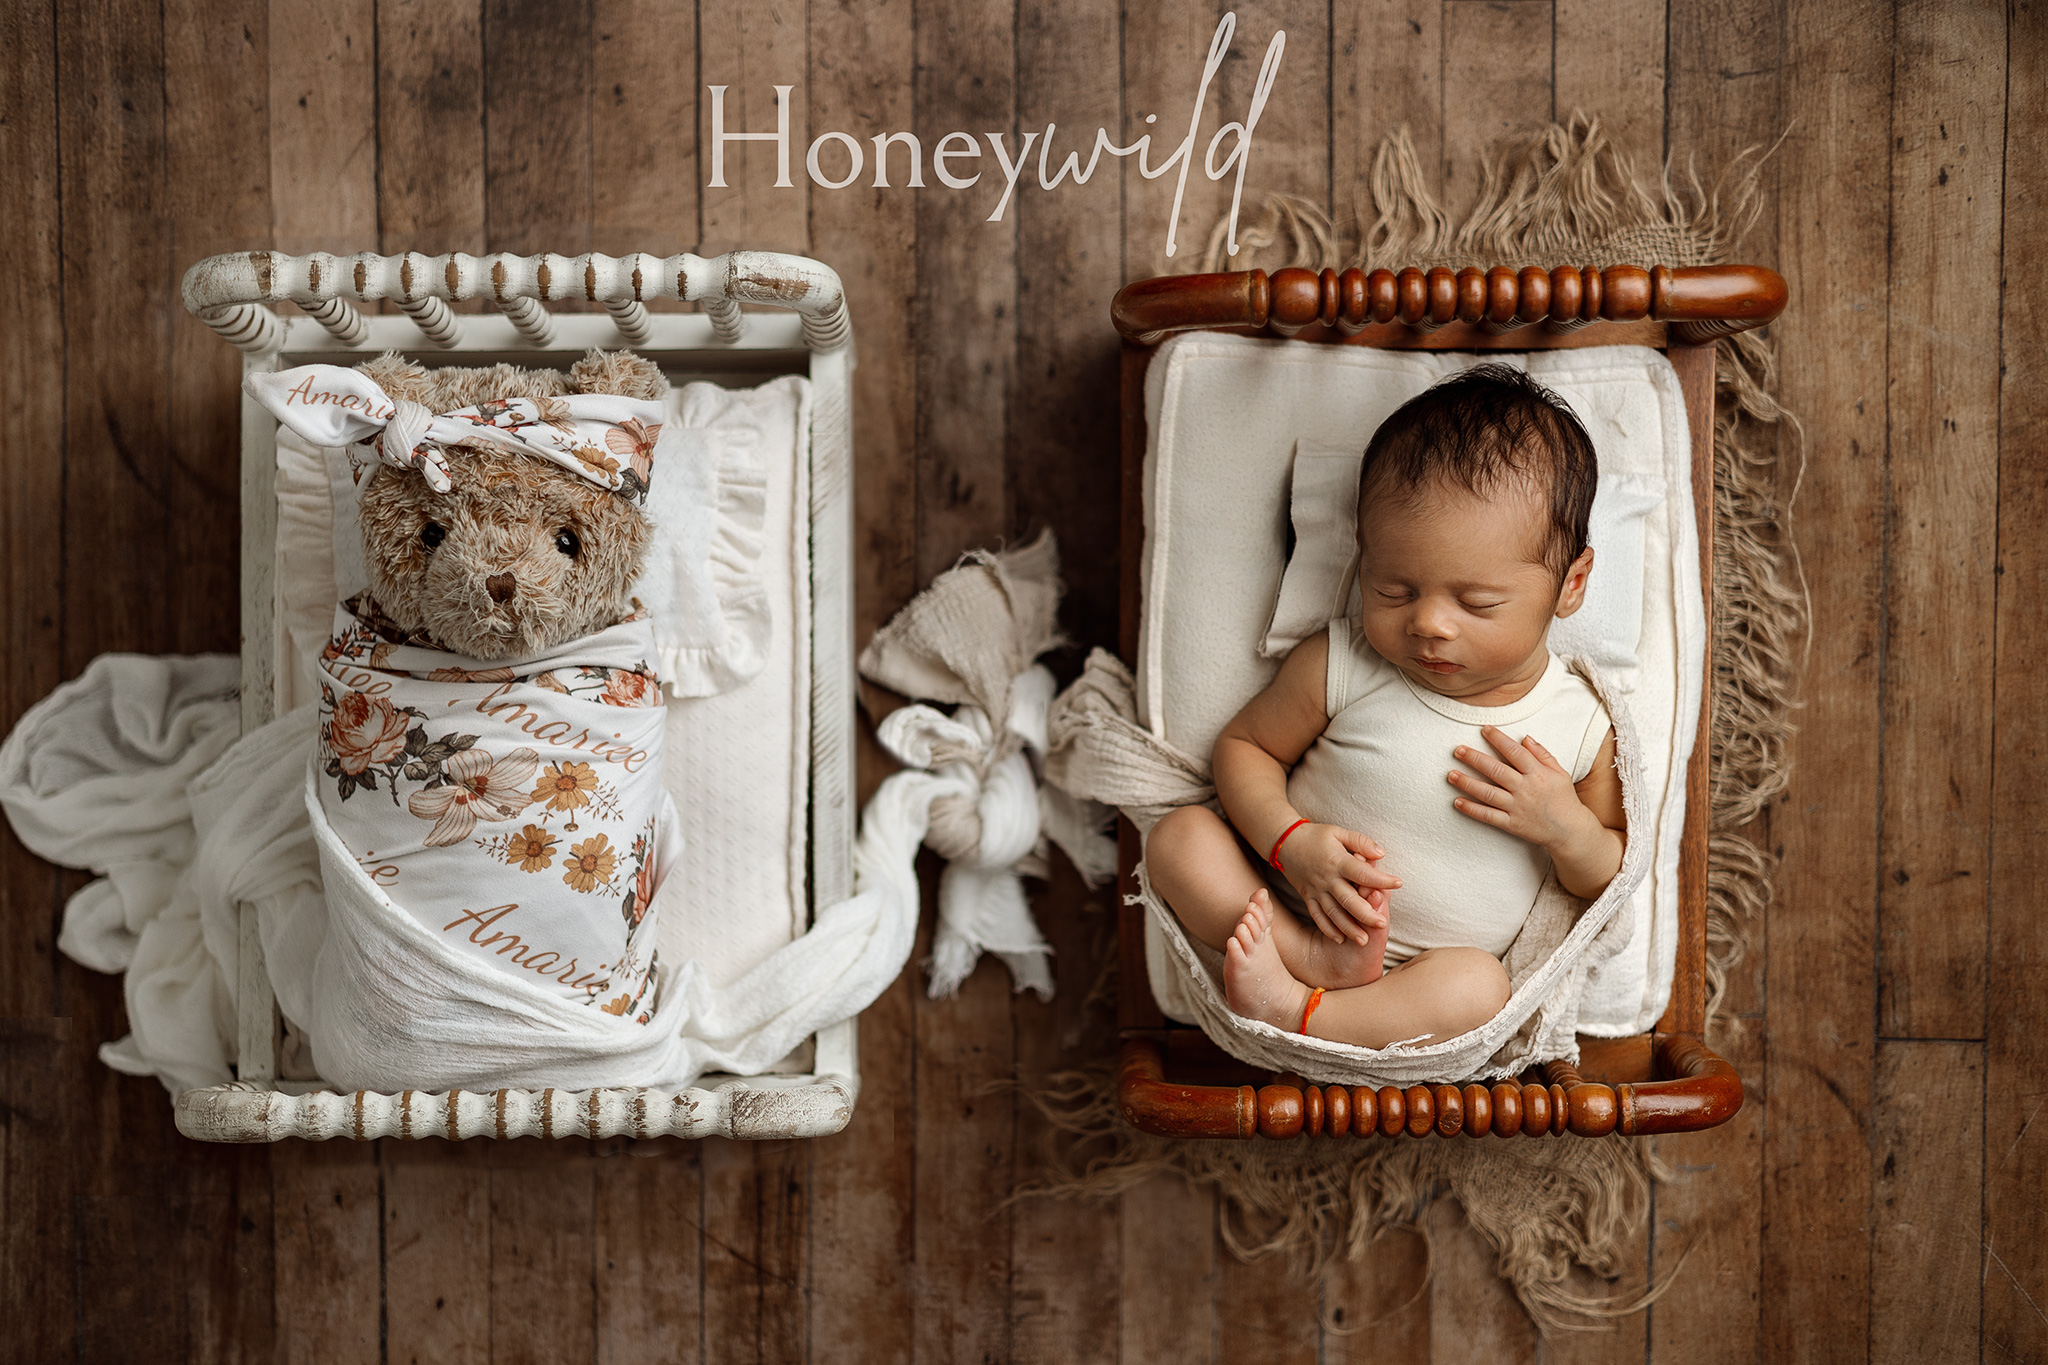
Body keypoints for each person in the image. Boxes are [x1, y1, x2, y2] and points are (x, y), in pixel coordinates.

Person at [1145, 364, 1627, 1049]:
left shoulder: (1580, 722)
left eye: (1476, 602)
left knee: (1482, 988)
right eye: (1394, 590)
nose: (1429, 623)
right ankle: (1308, 963)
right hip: (1289, 910)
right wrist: (1291, 844)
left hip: (1426, 974)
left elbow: (1607, 871)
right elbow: (1245, 749)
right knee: (1180, 839)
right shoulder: (1344, 662)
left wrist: (1566, 827)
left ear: (1571, 583)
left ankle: (1303, 1014)